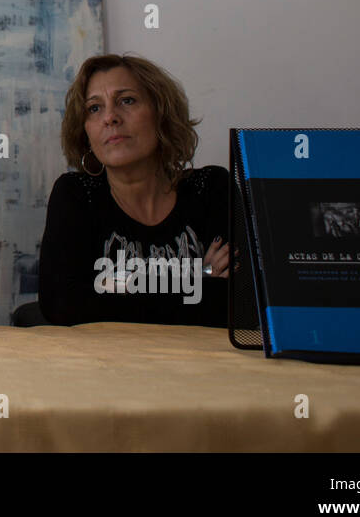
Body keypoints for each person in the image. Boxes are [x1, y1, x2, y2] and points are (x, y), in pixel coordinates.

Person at [38, 53, 229, 327]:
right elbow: (63, 306)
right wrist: (198, 277)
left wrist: (107, 284)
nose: (110, 118)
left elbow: (237, 302)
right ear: (85, 132)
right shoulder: (76, 195)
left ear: (161, 112)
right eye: (94, 108)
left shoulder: (210, 188)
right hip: (107, 366)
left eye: (126, 101)